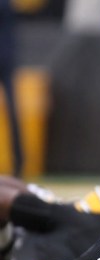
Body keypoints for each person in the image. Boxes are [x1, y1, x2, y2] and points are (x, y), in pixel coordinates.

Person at [0, 0, 23, 177]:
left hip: (4, 59)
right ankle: (19, 162)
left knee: (12, 112)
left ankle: (19, 163)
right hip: (7, 57)